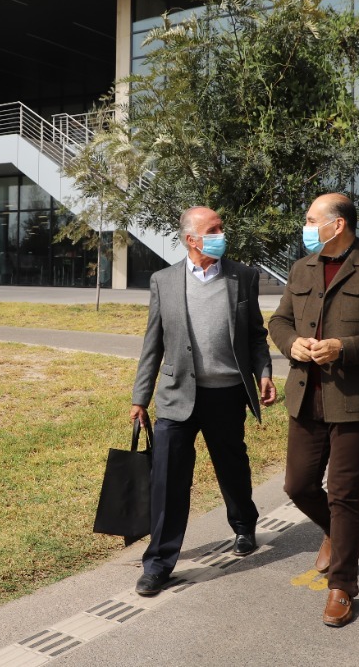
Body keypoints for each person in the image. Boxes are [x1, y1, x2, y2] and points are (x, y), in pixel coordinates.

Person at [269, 193, 359, 627]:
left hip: (355, 399)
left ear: (337, 225)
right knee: (298, 485)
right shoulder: (302, 267)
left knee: (343, 492)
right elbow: (279, 321)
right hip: (305, 394)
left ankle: (342, 587)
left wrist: (343, 348)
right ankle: (334, 531)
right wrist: (291, 343)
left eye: (311, 219)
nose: (306, 227)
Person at [130, 207, 276, 597]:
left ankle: (244, 526)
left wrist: (263, 371)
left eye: (221, 228)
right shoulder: (163, 280)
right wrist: (140, 397)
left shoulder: (243, 276)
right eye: (213, 230)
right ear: (191, 239)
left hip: (226, 393)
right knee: (168, 479)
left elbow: (256, 335)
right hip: (177, 395)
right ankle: (158, 564)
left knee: (232, 466)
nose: (221, 234)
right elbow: (152, 343)